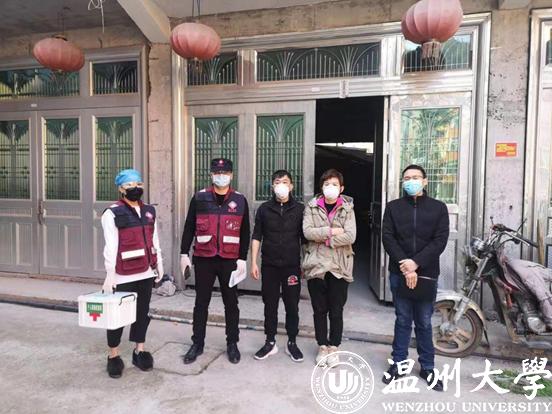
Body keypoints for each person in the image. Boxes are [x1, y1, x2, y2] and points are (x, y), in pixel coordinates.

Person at [381, 164, 449, 391]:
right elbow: (388, 237)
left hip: (427, 273)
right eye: (407, 178)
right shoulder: (393, 207)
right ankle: (398, 364)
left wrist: (416, 263)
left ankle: (427, 367)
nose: (411, 181)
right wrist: (406, 265)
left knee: (424, 321)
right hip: (399, 271)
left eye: (416, 177)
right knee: (402, 319)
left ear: (425, 181)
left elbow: (440, 240)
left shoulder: (438, 208)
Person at [180, 158, 250, 364]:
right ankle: (197, 343)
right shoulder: (199, 198)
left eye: (225, 173)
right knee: (201, 303)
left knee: (231, 303)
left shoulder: (240, 200)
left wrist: (242, 259)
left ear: (231, 175)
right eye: (218, 172)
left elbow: (245, 232)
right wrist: (184, 253)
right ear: (211, 175)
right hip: (204, 258)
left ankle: (232, 343)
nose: (221, 176)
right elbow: (189, 226)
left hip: (229, 260)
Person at [101, 169, 163, 379]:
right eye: (129, 185)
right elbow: (111, 246)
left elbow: (154, 240)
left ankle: (139, 350)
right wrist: (110, 274)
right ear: (121, 189)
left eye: (138, 184)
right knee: (117, 317)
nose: (135, 188)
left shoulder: (149, 211)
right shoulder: (112, 213)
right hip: (122, 274)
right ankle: (113, 355)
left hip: (145, 271)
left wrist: (158, 264)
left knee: (142, 313)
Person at [302, 169, 356, 367]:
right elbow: (307, 232)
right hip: (316, 265)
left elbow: (350, 236)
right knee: (319, 309)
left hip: (339, 266)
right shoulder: (312, 207)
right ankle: (322, 346)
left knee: (336, 309)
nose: (330, 188)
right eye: (326, 184)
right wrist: (332, 231)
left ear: (341, 188)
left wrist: (325, 239)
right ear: (321, 187)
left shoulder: (347, 209)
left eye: (334, 184)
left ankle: (334, 347)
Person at [250, 170, 305, 362]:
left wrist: (306, 263)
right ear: (272, 186)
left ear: (291, 186)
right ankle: (270, 341)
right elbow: (257, 236)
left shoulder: (300, 209)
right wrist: (253, 262)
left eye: (285, 182)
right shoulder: (264, 209)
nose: (281, 185)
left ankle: (292, 342)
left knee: (292, 305)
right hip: (270, 265)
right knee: (270, 305)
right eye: (277, 182)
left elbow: (305, 239)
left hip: (291, 266)